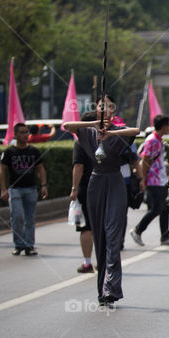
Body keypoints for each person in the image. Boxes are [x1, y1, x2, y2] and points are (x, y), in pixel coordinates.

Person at [62, 98, 141, 306]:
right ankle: (102, 291)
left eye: (109, 106)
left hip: (115, 182)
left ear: (114, 110)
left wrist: (110, 132)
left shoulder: (119, 130)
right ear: (96, 110)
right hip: (95, 184)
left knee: (113, 236)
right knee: (100, 239)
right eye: (101, 105)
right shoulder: (87, 132)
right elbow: (68, 126)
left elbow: (136, 130)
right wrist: (93, 125)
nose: (105, 109)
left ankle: (111, 288)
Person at [129, 115, 169, 247]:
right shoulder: (152, 141)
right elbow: (145, 161)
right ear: (163, 126)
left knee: (165, 208)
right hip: (153, 181)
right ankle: (138, 230)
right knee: (157, 208)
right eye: (168, 125)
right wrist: (143, 179)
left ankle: (165, 236)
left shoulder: (158, 139)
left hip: (160, 180)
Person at [0, 123, 47, 256]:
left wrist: (43, 185)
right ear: (15, 134)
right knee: (17, 217)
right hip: (15, 190)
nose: (25, 135)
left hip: (31, 188)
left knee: (30, 218)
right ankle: (19, 244)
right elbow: (1, 171)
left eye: (26, 132)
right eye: (22, 132)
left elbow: (41, 168)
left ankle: (29, 245)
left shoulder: (34, 151)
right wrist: (3, 189)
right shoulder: (9, 152)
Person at [70, 111, 98, 272]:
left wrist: (74, 188)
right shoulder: (105, 142)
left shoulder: (81, 143)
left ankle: (87, 263)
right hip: (105, 188)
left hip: (86, 189)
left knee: (86, 228)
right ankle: (103, 260)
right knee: (102, 226)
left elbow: (78, 167)